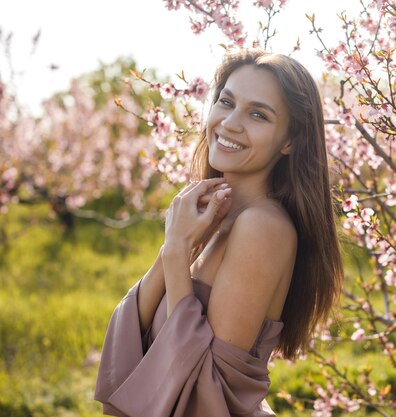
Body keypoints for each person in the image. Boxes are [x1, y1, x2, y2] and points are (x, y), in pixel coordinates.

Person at [94, 49, 343, 416]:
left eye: (258, 114)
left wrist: (178, 251)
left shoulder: (263, 227)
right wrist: (173, 249)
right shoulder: (211, 219)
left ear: (289, 141)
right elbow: (130, 328)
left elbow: (208, 385)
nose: (229, 123)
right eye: (226, 102)